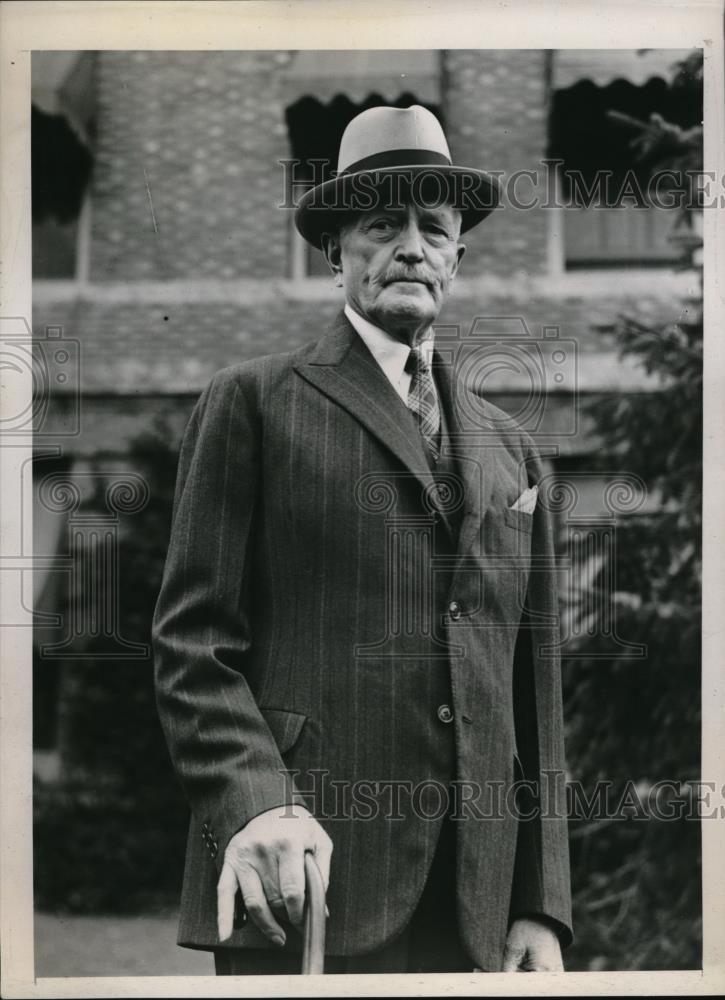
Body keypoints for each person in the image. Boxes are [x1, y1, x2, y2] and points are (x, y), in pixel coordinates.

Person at [152, 104, 572, 975]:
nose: (410, 247)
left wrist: (539, 903)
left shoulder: (514, 448)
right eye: (382, 225)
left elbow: (532, 691)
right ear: (335, 251)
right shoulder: (254, 403)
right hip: (301, 875)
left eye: (433, 228)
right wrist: (256, 806)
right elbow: (193, 643)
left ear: (458, 255)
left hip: (476, 902)